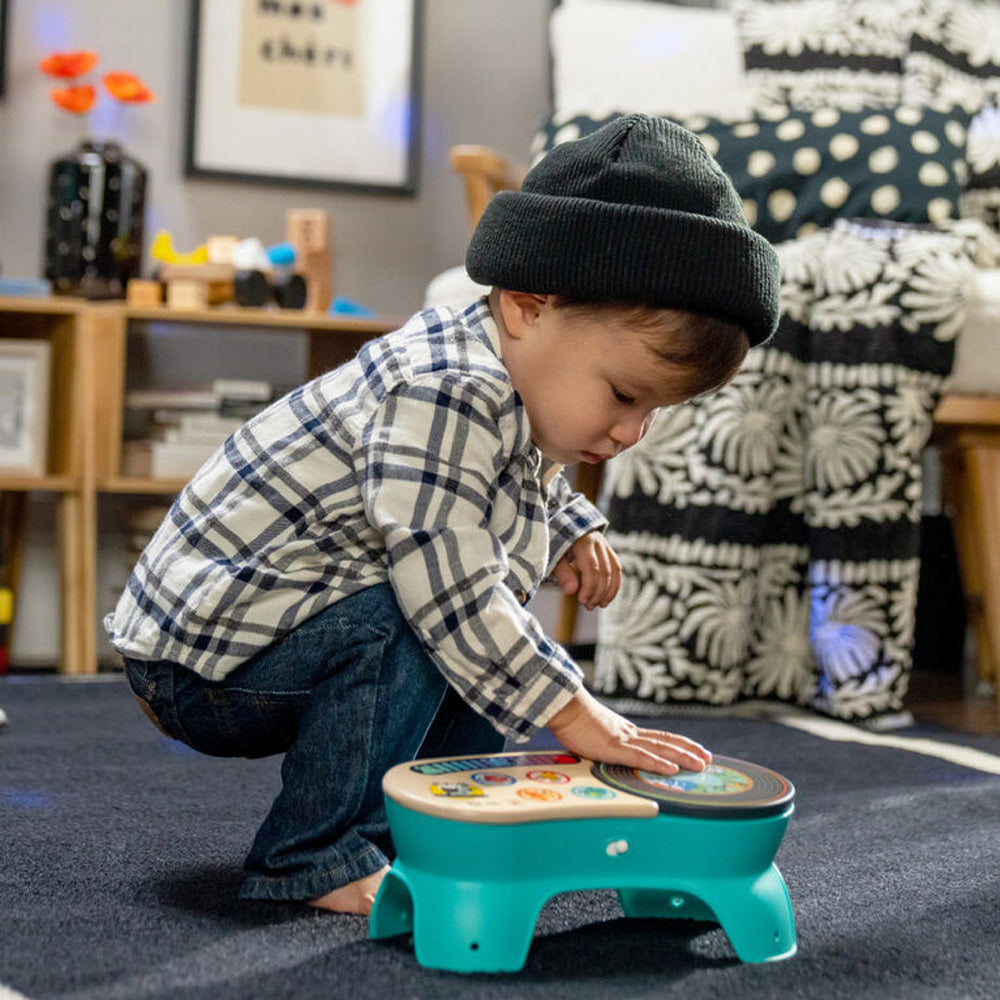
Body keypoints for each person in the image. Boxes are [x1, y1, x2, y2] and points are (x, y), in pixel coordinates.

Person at [105, 114, 781, 916]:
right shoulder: (444, 384)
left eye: (654, 412)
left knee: (470, 642)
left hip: (276, 629)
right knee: (432, 615)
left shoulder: (510, 375)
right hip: (201, 663)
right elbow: (448, 574)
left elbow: (495, 475)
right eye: (626, 395)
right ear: (528, 308)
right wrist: (573, 709)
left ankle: (434, 832)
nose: (632, 433)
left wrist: (567, 526)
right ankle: (309, 855)